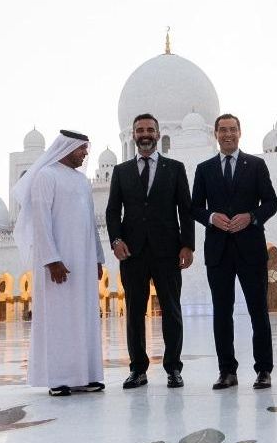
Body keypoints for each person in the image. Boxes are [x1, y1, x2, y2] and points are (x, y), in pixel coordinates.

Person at [105, 113, 195, 389]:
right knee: (134, 312)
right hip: (133, 252)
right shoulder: (121, 172)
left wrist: (187, 244)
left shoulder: (175, 168)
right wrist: (116, 240)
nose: (145, 134)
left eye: (149, 130)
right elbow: (112, 211)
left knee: (171, 310)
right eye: (140, 130)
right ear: (133, 135)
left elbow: (185, 209)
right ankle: (138, 369)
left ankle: (173, 369)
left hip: (167, 250)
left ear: (157, 134)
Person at [191, 113, 277, 389]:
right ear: (215, 134)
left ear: (240, 133)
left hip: (250, 249)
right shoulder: (204, 169)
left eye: (232, 130)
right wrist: (211, 217)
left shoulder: (255, 165)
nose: (228, 135)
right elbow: (194, 207)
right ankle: (227, 371)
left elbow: (271, 202)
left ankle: (263, 370)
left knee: (258, 311)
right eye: (222, 130)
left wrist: (251, 217)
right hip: (219, 251)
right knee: (221, 312)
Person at [14, 130, 106, 397]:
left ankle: (85, 375)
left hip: (84, 262)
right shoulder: (46, 176)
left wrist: (98, 258)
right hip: (59, 263)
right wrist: (51, 259)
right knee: (59, 319)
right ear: (67, 148)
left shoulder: (81, 181)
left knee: (84, 318)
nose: (86, 154)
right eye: (82, 149)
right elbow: (41, 222)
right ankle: (59, 378)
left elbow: (91, 223)